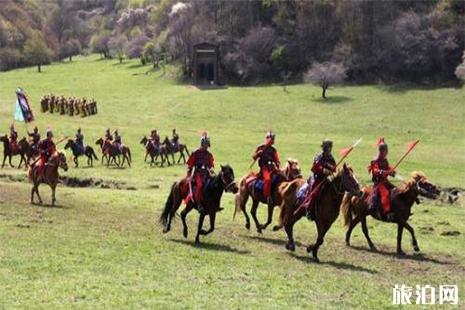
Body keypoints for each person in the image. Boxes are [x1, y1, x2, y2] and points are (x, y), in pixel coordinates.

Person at [303, 139, 336, 220]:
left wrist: (332, 169)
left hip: (326, 178)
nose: (330, 149)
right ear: (325, 147)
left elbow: (334, 167)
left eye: (330, 147)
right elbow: (316, 167)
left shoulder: (331, 157)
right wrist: (325, 170)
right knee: (314, 192)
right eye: (328, 147)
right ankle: (309, 209)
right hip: (317, 177)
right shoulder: (319, 156)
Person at [186, 132, 215, 214]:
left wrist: (212, 169)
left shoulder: (209, 155)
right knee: (200, 185)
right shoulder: (195, 153)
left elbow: (211, 165)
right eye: (205, 145)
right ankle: (199, 204)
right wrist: (188, 175)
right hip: (197, 174)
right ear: (202, 144)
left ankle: (212, 203)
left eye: (207, 146)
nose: (206, 147)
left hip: (206, 173)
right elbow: (190, 165)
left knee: (213, 185)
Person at [368, 137, 396, 220]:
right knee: (385, 194)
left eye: (387, 151)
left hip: (385, 182)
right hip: (379, 183)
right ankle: (387, 212)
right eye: (385, 151)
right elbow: (376, 170)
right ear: (382, 151)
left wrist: (392, 171)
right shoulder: (375, 161)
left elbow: (388, 167)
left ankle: (394, 209)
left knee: (395, 190)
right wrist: (384, 172)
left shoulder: (385, 160)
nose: (387, 152)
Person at [252, 131, 280, 204]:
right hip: (264, 167)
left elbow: (277, 159)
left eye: (273, 139)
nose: (273, 141)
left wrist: (277, 164)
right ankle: (267, 197)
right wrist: (258, 153)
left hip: (272, 167)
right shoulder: (260, 147)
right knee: (267, 180)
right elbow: (254, 157)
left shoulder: (273, 150)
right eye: (272, 139)